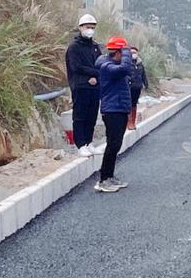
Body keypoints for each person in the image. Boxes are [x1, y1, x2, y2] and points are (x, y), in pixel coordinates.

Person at [93, 36, 135, 192]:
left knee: (116, 144)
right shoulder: (106, 66)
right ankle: (103, 179)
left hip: (120, 108)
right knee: (112, 144)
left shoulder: (112, 65)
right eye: (123, 53)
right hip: (112, 110)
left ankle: (109, 176)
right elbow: (125, 69)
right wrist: (126, 52)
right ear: (117, 53)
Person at [64, 13, 102, 155]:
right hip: (80, 85)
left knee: (92, 115)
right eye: (87, 27)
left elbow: (100, 64)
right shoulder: (74, 47)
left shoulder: (95, 47)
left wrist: (96, 76)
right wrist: (92, 75)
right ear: (80, 27)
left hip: (94, 86)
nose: (90, 30)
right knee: (80, 115)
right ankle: (80, 145)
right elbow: (76, 67)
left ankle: (89, 142)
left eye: (92, 27)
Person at [127, 45, 150, 130]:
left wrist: (146, 84)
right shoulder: (127, 63)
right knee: (128, 104)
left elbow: (143, 74)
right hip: (129, 87)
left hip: (138, 87)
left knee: (134, 104)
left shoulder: (140, 63)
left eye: (135, 52)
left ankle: (133, 121)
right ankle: (129, 123)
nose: (133, 54)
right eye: (132, 52)